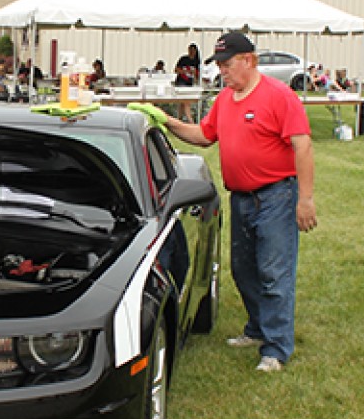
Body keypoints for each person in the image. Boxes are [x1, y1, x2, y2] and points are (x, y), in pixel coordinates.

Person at [131, 31, 316, 372]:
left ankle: (276, 348)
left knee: (274, 272)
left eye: (227, 64)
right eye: (219, 65)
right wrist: (165, 121)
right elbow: (204, 135)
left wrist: (305, 199)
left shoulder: (279, 96)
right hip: (242, 198)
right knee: (244, 269)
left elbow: (302, 145)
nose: (222, 71)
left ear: (249, 60)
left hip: (276, 196)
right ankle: (257, 329)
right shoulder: (225, 100)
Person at [174, 42, 201, 121]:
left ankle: (179, 118)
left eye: (193, 50)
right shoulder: (183, 59)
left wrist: (195, 74)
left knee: (184, 101)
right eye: (190, 50)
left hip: (190, 83)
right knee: (185, 100)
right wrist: (184, 71)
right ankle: (190, 120)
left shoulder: (197, 61)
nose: (191, 52)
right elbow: (176, 69)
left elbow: (198, 74)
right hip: (181, 81)